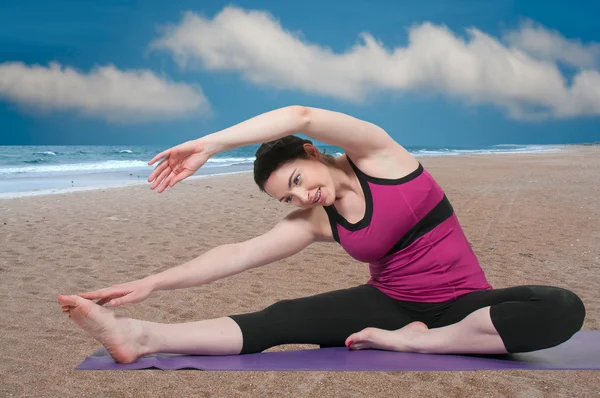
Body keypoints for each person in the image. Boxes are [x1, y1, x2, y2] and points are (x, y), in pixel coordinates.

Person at [58, 106, 586, 364]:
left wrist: (212, 144)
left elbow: (302, 113)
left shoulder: (382, 158)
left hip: (469, 306)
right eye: (287, 198)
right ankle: (140, 336)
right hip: (392, 305)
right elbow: (240, 254)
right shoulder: (318, 219)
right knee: (281, 318)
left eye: (296, 181)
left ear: (310, 154)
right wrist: (152, 282)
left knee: (561, 308)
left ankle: (421, 343)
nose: (302, 197)